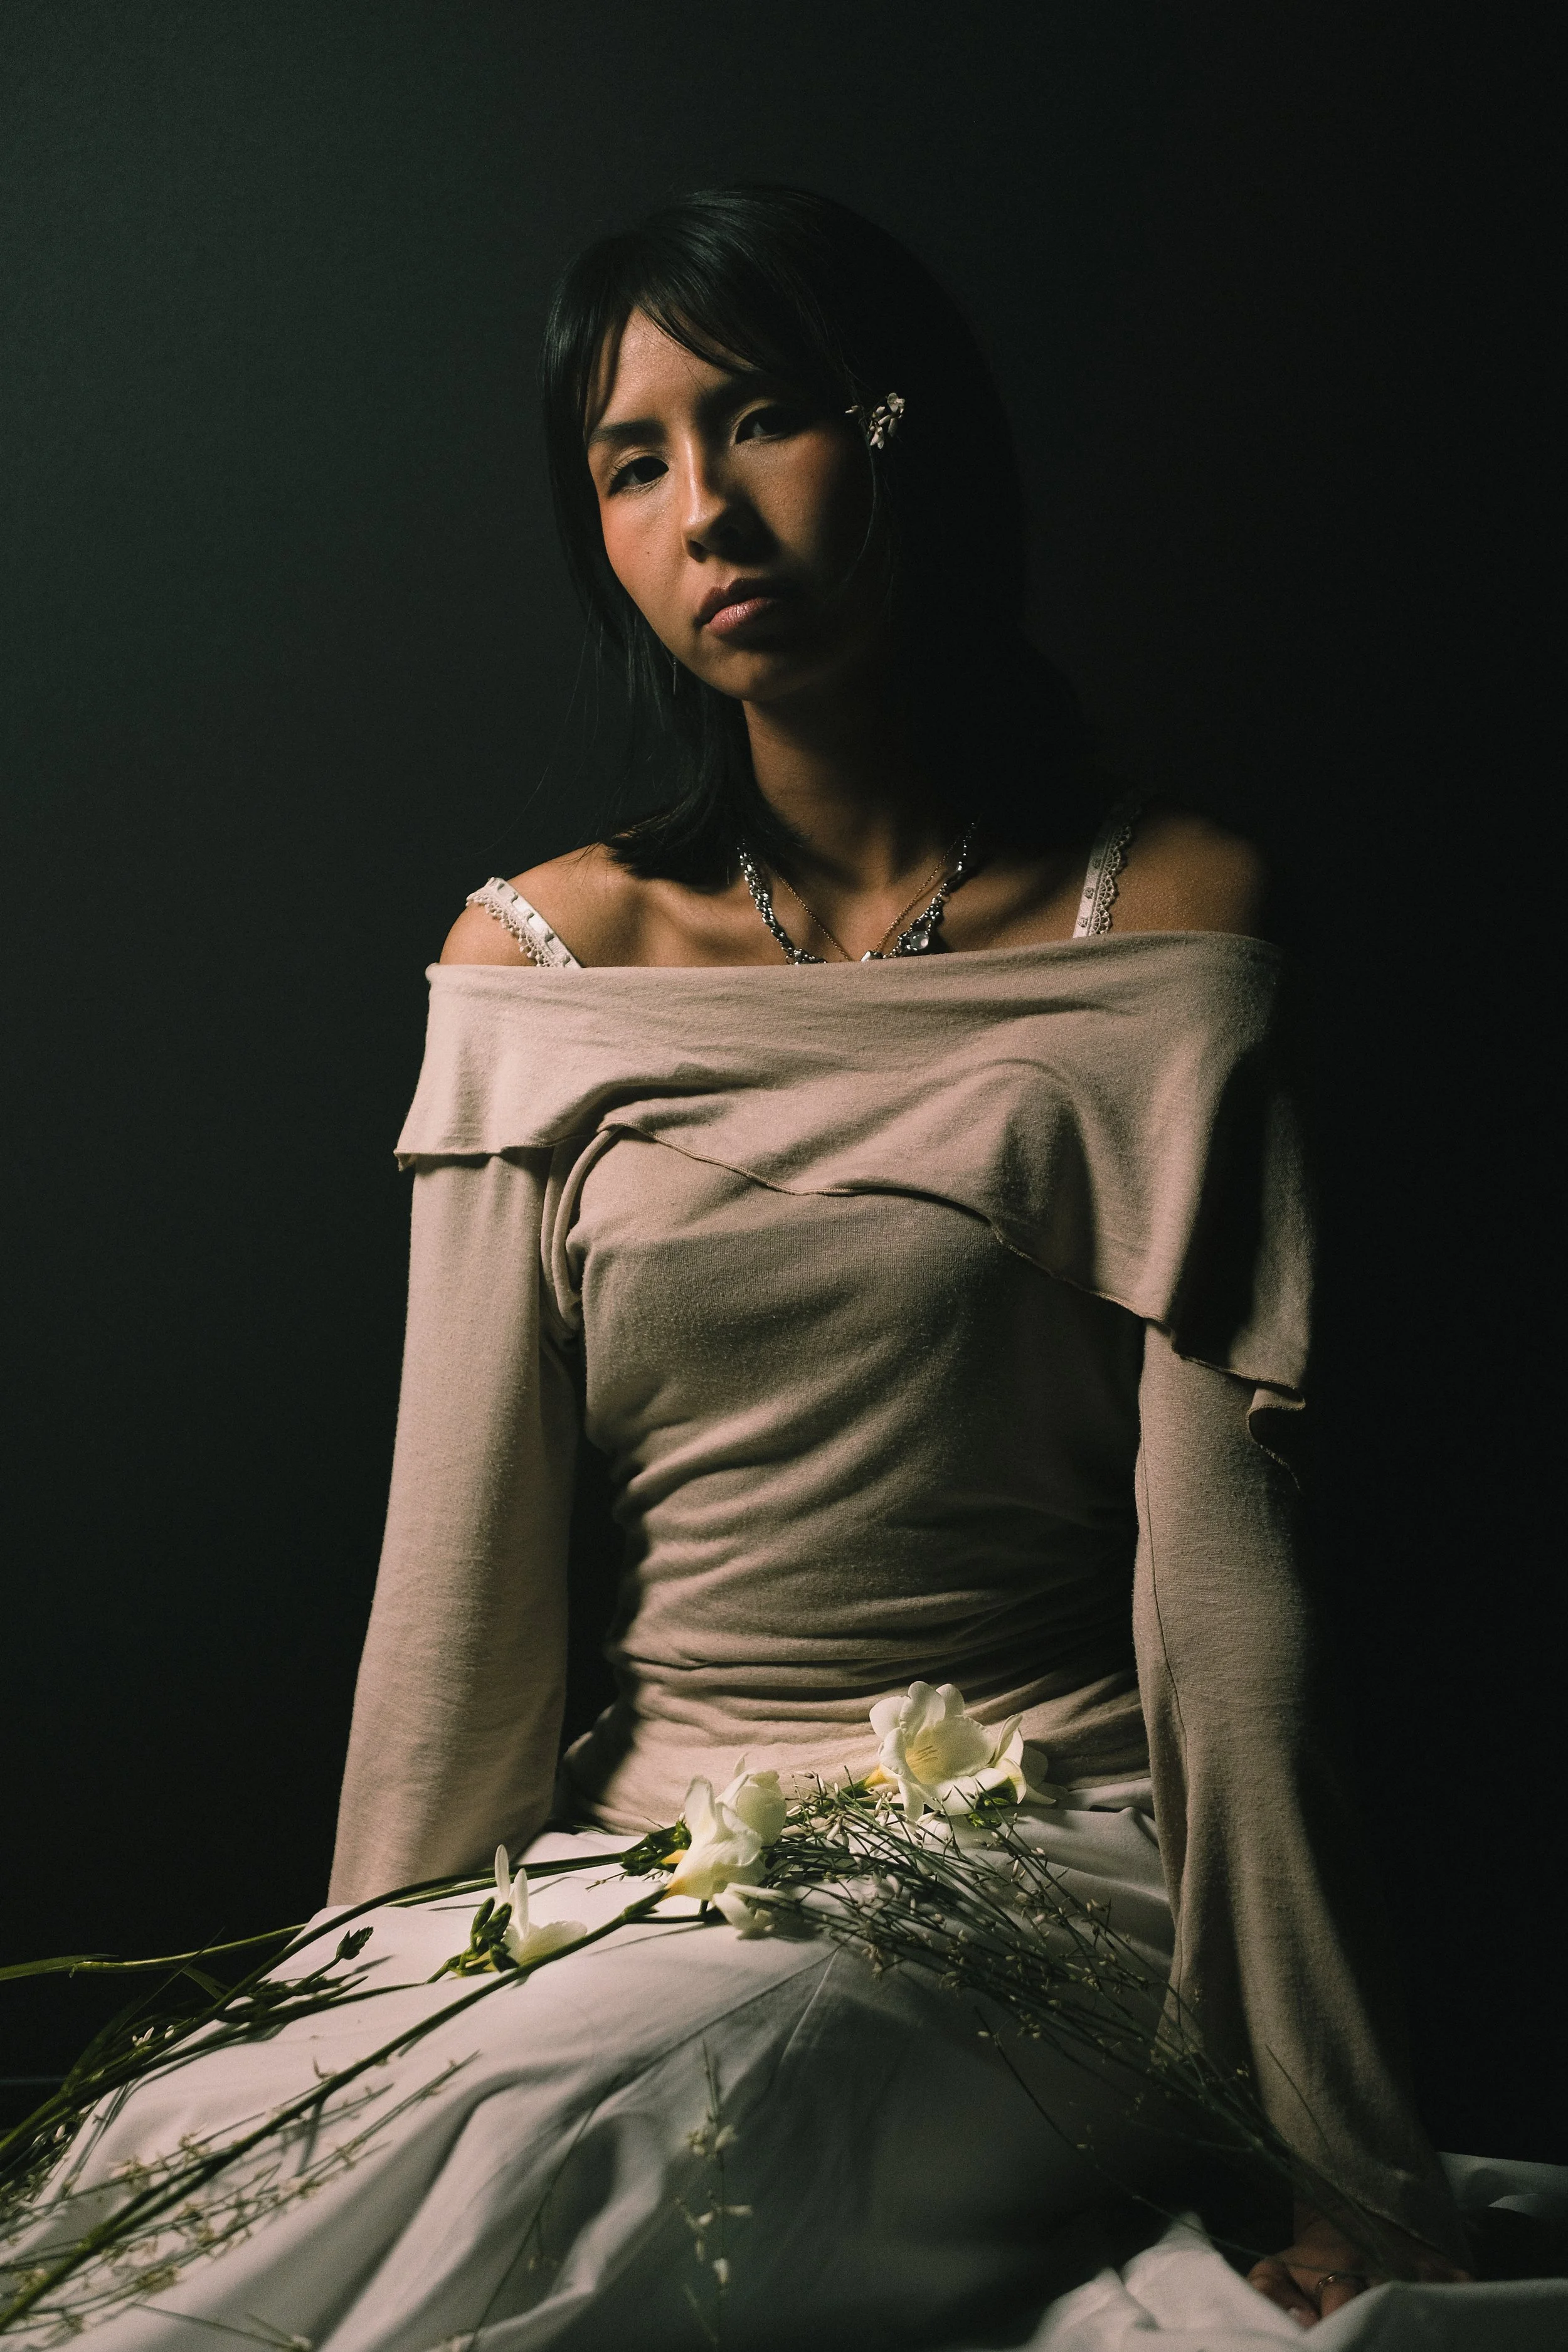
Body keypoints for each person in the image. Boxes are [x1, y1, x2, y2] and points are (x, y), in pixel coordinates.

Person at [40, 188, 1480, 2351]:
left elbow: (1226, 1609)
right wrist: (348, 2018)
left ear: (901, 432)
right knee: (189, 2162)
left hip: (1047, 1857)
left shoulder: (1167, 922)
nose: (704, 509)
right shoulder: (538, 971)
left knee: (607, 2114)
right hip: (633, 1871)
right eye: (630, 462)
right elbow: (460, 1593)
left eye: (761, 418)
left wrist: (1338, 2157)